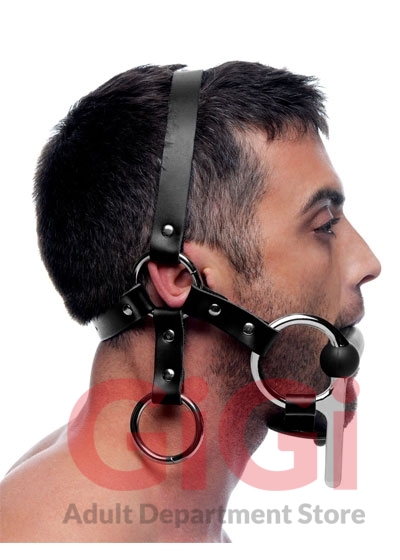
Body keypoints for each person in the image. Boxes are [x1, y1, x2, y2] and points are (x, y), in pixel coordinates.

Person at [0, 61, 380, 543]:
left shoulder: (157, 524)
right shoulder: (52, 536)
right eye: (323, 226)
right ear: (181, 280)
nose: (368, 263)